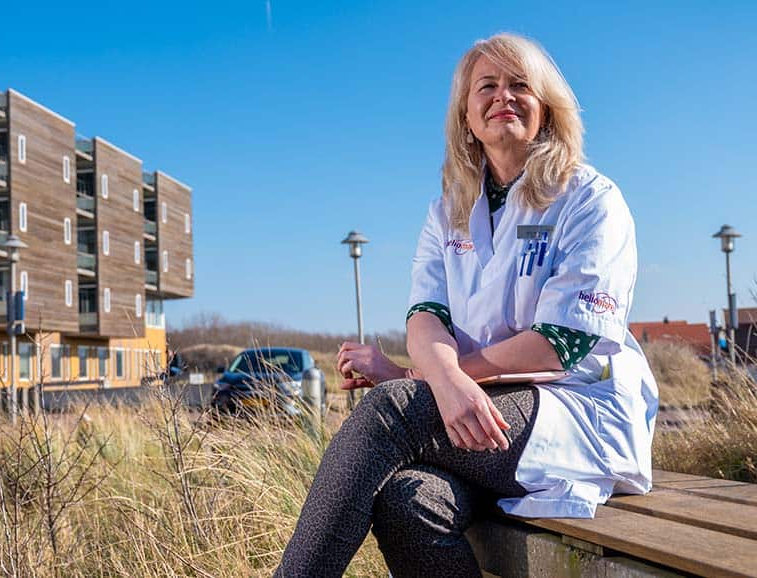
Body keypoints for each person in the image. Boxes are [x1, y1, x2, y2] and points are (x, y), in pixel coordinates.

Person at [275, 33, 657, 578]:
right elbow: (425, 319)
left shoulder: (590, 199)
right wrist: (443, 378)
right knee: (409, 500)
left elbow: (560, 343)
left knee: (389, 410)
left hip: (576, 407)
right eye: (487, 86)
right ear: (467, 117)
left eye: (520, 84)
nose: (504, 96)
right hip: (482, 417)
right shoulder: (447, 210)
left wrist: (427, 379)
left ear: (546, 106)